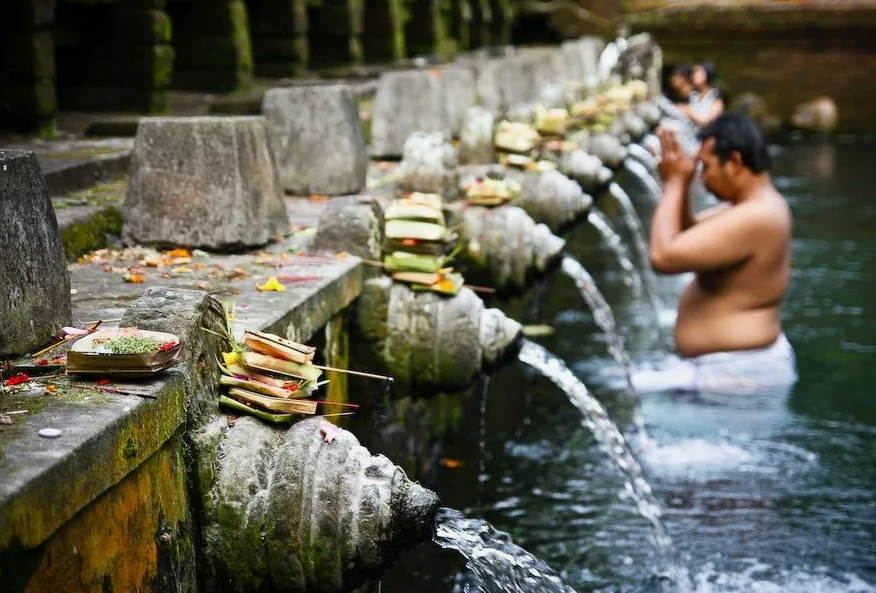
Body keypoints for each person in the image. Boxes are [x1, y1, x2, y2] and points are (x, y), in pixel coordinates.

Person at [633, 112, 797, 393]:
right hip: (731, 369)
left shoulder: (758, 216)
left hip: (737, 375)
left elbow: (663, 256)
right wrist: (679, 185)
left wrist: (672, 184)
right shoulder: (754, 208)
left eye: (705, 167)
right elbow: (686, 236)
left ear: (734, 162)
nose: (703, 178)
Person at [681, 61, 724, 127]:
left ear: (707, 75)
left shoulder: (715, 95)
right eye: (694, 73)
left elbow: (710, 121)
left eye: (698, 73)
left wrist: (690, 113)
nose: (694, 76)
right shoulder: (693, 94)